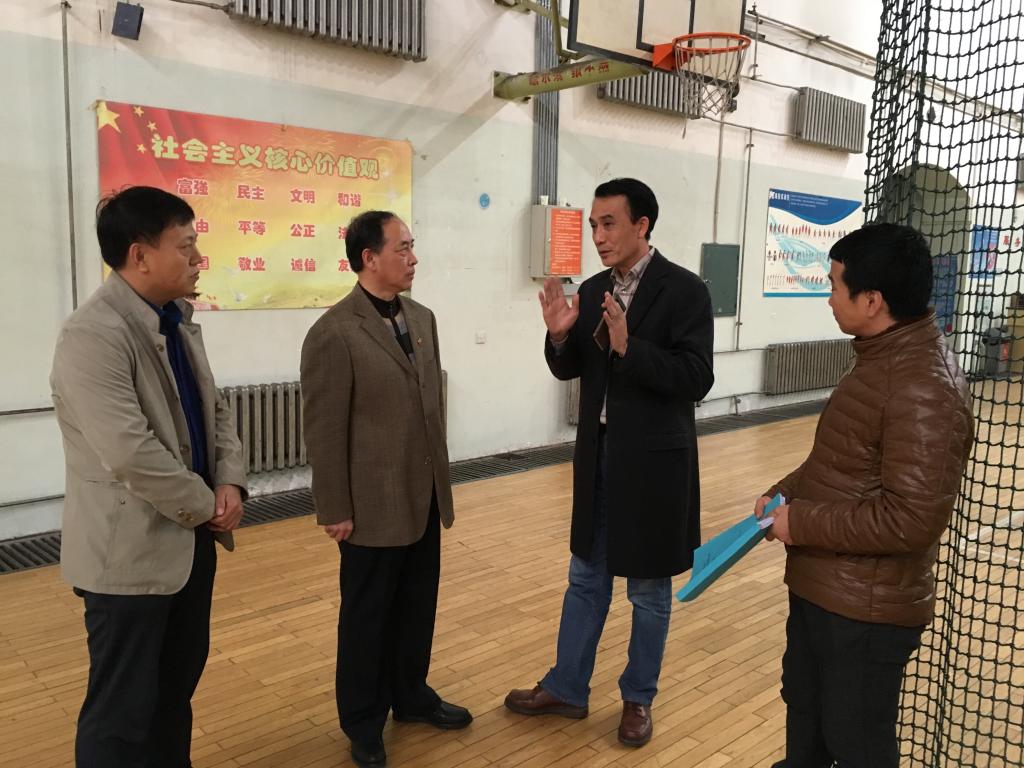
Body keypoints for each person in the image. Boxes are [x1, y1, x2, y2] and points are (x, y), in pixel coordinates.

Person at [505, 178, 715, 747]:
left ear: (641, 225)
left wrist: (630, 347)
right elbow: (571, 366)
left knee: (647, 592)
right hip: (598, 460)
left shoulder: (685, 291)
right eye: (593, 225)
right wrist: (558, 338)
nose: (597, 236)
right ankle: (567, 687)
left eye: (608, 224)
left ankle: (638, 698)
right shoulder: (596, 287)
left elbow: (697, 378)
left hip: (653, 469)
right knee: (585, 579)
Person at [756, 223, 974, 768]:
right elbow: (840, 463)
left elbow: (909, 520)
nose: (829, 297)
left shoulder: (925, 386)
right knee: (806, 724)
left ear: (872, 300)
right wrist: (784, 494)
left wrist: (800, 523)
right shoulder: (880, 360)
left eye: (834, 285)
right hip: (824, 590)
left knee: (856, 746)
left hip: (865, 614)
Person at [50, 185, 247, 767]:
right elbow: (129, 452)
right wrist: (208, 505)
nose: (198, 258)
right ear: (140, 255)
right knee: (121, 714)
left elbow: (215, 409)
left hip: (190, 542)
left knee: (172, 697)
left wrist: (230, 480)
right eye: (185, 247)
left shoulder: (177, 320)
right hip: (128, 559)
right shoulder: (92, 335)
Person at [300, 210, 472, 768]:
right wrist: (335, 507)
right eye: (402, 248)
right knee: (367, 617)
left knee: (417, 605)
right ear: (368, 258)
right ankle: (363, 719)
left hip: (423, 494)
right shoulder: (333, 332)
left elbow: (429, 406)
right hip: (371, 503)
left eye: (412, 246)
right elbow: (324, 430)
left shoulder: (421, 318)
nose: (413, 258)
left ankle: (411, 695)